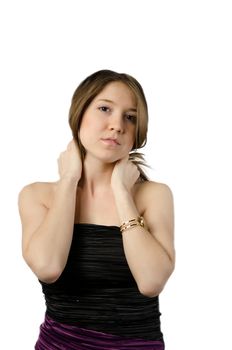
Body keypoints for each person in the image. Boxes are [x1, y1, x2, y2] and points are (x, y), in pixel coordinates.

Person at [18, 69, 175, 350]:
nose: (117, 125)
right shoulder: (37, 196)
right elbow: (48, 267)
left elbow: (151, 282)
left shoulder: (154, 195)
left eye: (130, 117)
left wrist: (122, 193)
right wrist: (68, 180)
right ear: (79, 114)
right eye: (105, 109)